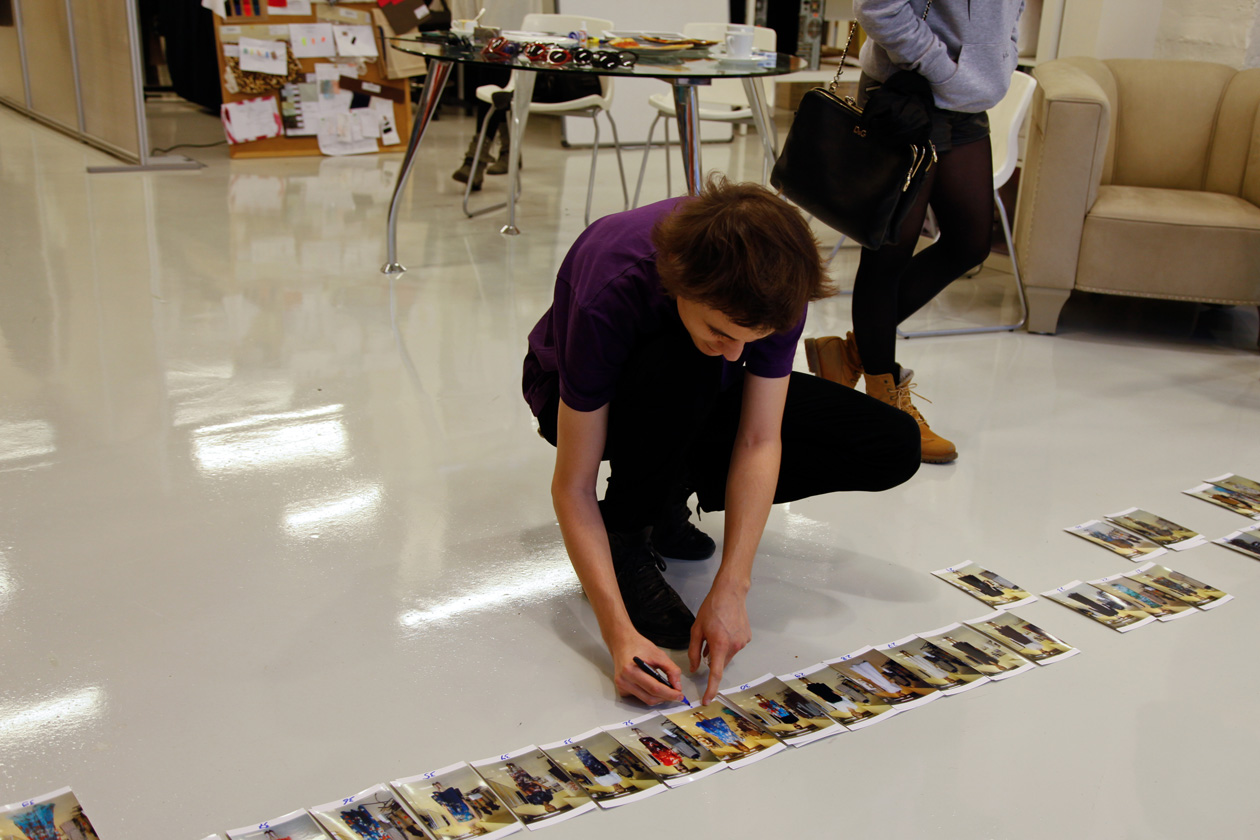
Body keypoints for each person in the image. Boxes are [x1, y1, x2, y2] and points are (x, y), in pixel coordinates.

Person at [523, 177, 921, 706]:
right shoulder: (612, 279)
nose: (738, 354)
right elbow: (572, 485)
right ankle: (628, 530)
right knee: (689, 362)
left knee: (892, 444)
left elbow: (760, 438)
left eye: (748, 341)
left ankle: (669, 488)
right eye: (723, 331)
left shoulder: (774, 280)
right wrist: (618, 635)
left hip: (692, 390)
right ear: (682, 283)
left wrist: (734, 586)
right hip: (582, 398)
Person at [804, 0, 1025, 464]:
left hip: (968, 103)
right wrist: (942, 69)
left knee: (969, 242)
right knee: (888, 252)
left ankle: (851, 352)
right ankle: (886, 402)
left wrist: (995, 61)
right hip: (907, 94)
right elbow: (877, 7)